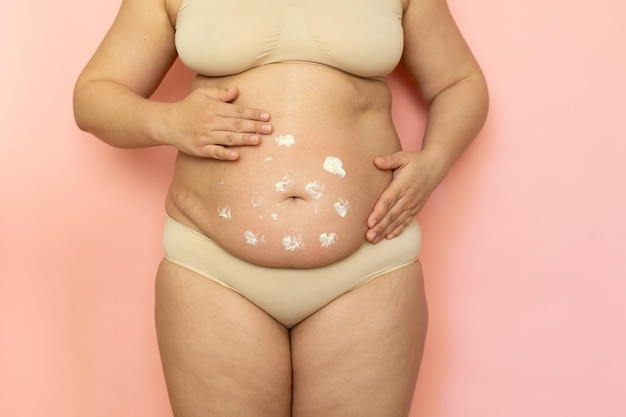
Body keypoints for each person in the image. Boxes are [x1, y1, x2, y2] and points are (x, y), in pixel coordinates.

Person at [73, 0, 488, 415]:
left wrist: (435, 160)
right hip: (212, 269)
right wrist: (169, 122)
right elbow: (94, 95)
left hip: (370, 266)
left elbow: (460, 81)